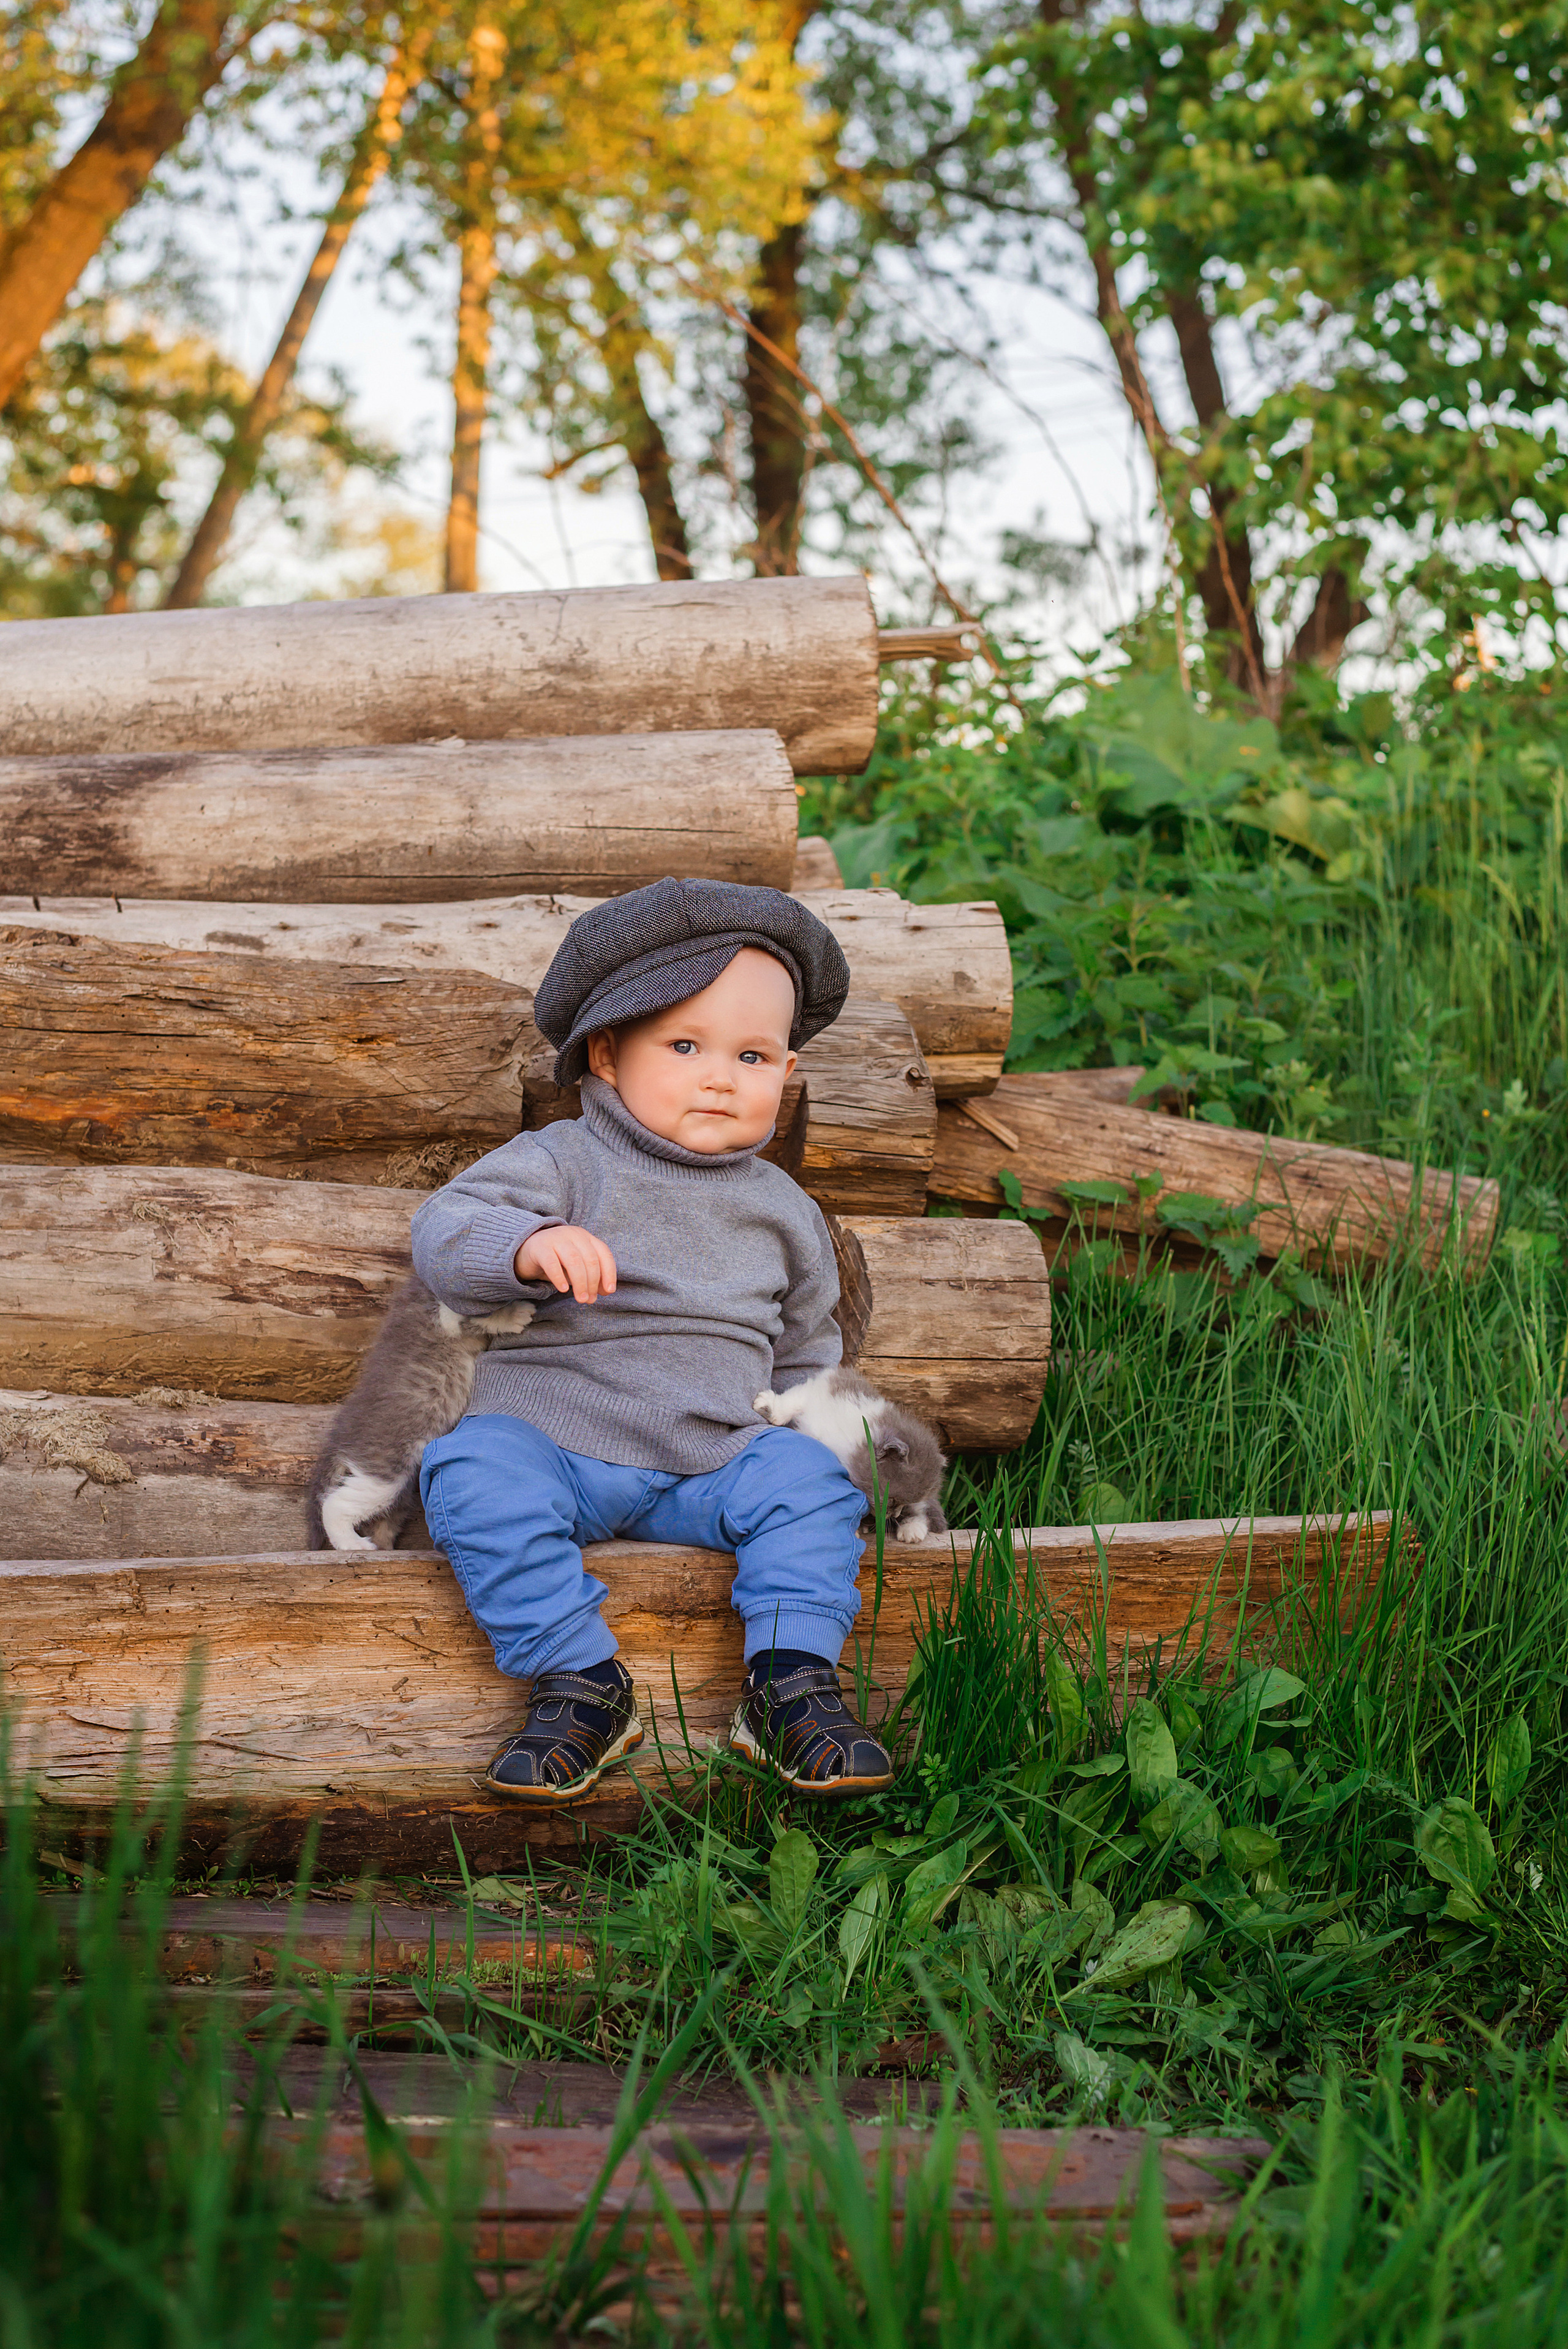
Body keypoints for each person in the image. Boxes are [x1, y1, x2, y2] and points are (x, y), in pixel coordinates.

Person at [412, 877, 895, 1806]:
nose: (722, 1075)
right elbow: (444, 1229)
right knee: (471, 1468)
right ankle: (579, 1683)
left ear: (787, 1074)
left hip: (715, 1455)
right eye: (685, 1045)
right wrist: (524, 1245)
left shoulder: (784, 1210)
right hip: (561, 1443)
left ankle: (791, 1683)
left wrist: (814, 1433)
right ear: (605, 1052)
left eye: (753, 1054)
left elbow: (805, 1349)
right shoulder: (562, 1161)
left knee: (812, 1482)